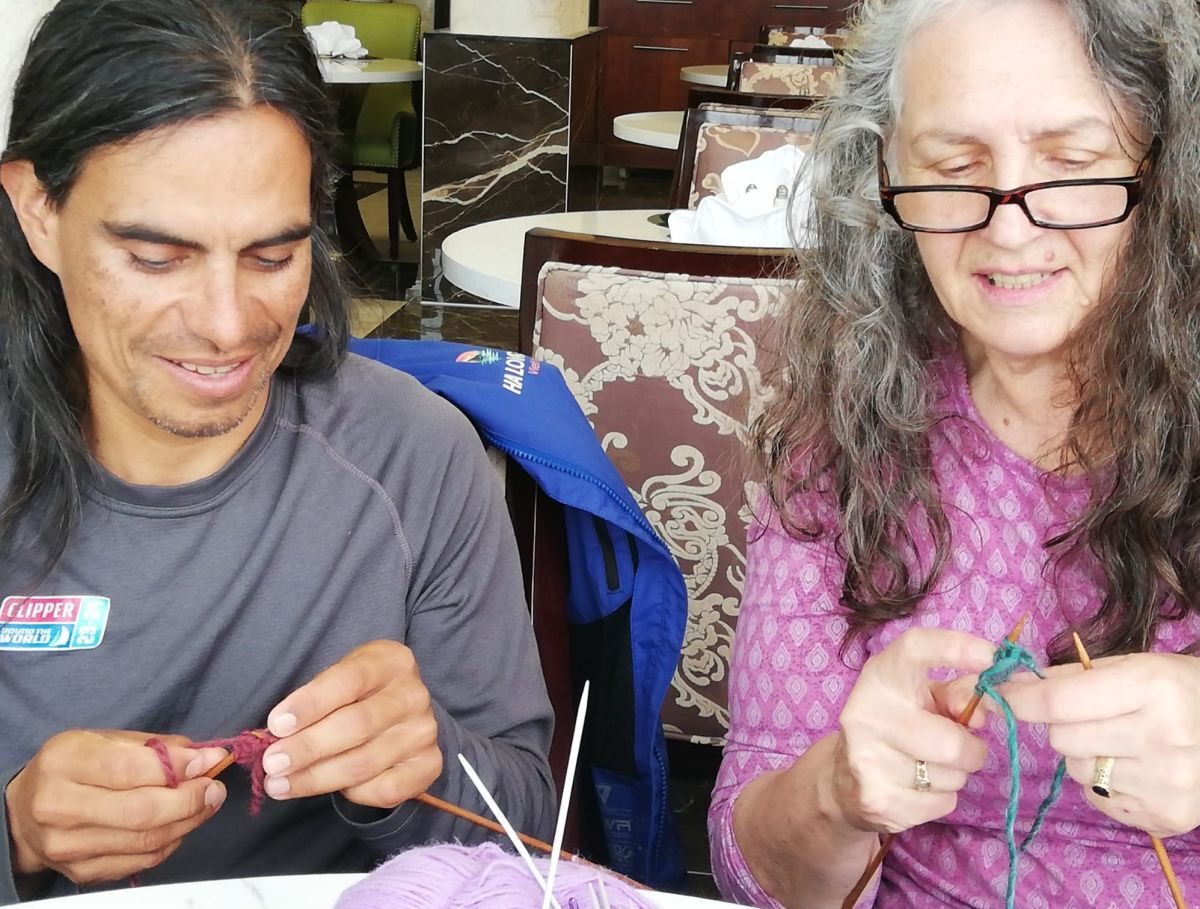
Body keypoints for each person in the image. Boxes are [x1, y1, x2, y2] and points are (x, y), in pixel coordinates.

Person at [0, 0, 554, 902]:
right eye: (155, 257)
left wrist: (428, 765)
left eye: (271, 256)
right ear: (38, 209)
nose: (227, 328)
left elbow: (534, 824)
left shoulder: (417, 458)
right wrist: (15, 831)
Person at [708, 0, 1200, 906]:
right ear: (885, 183)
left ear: (1169, 172)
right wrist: (839, 793)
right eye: (954, 168)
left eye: (1073, 164)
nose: (1009, 229)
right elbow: (757, 872)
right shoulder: (847, 440)